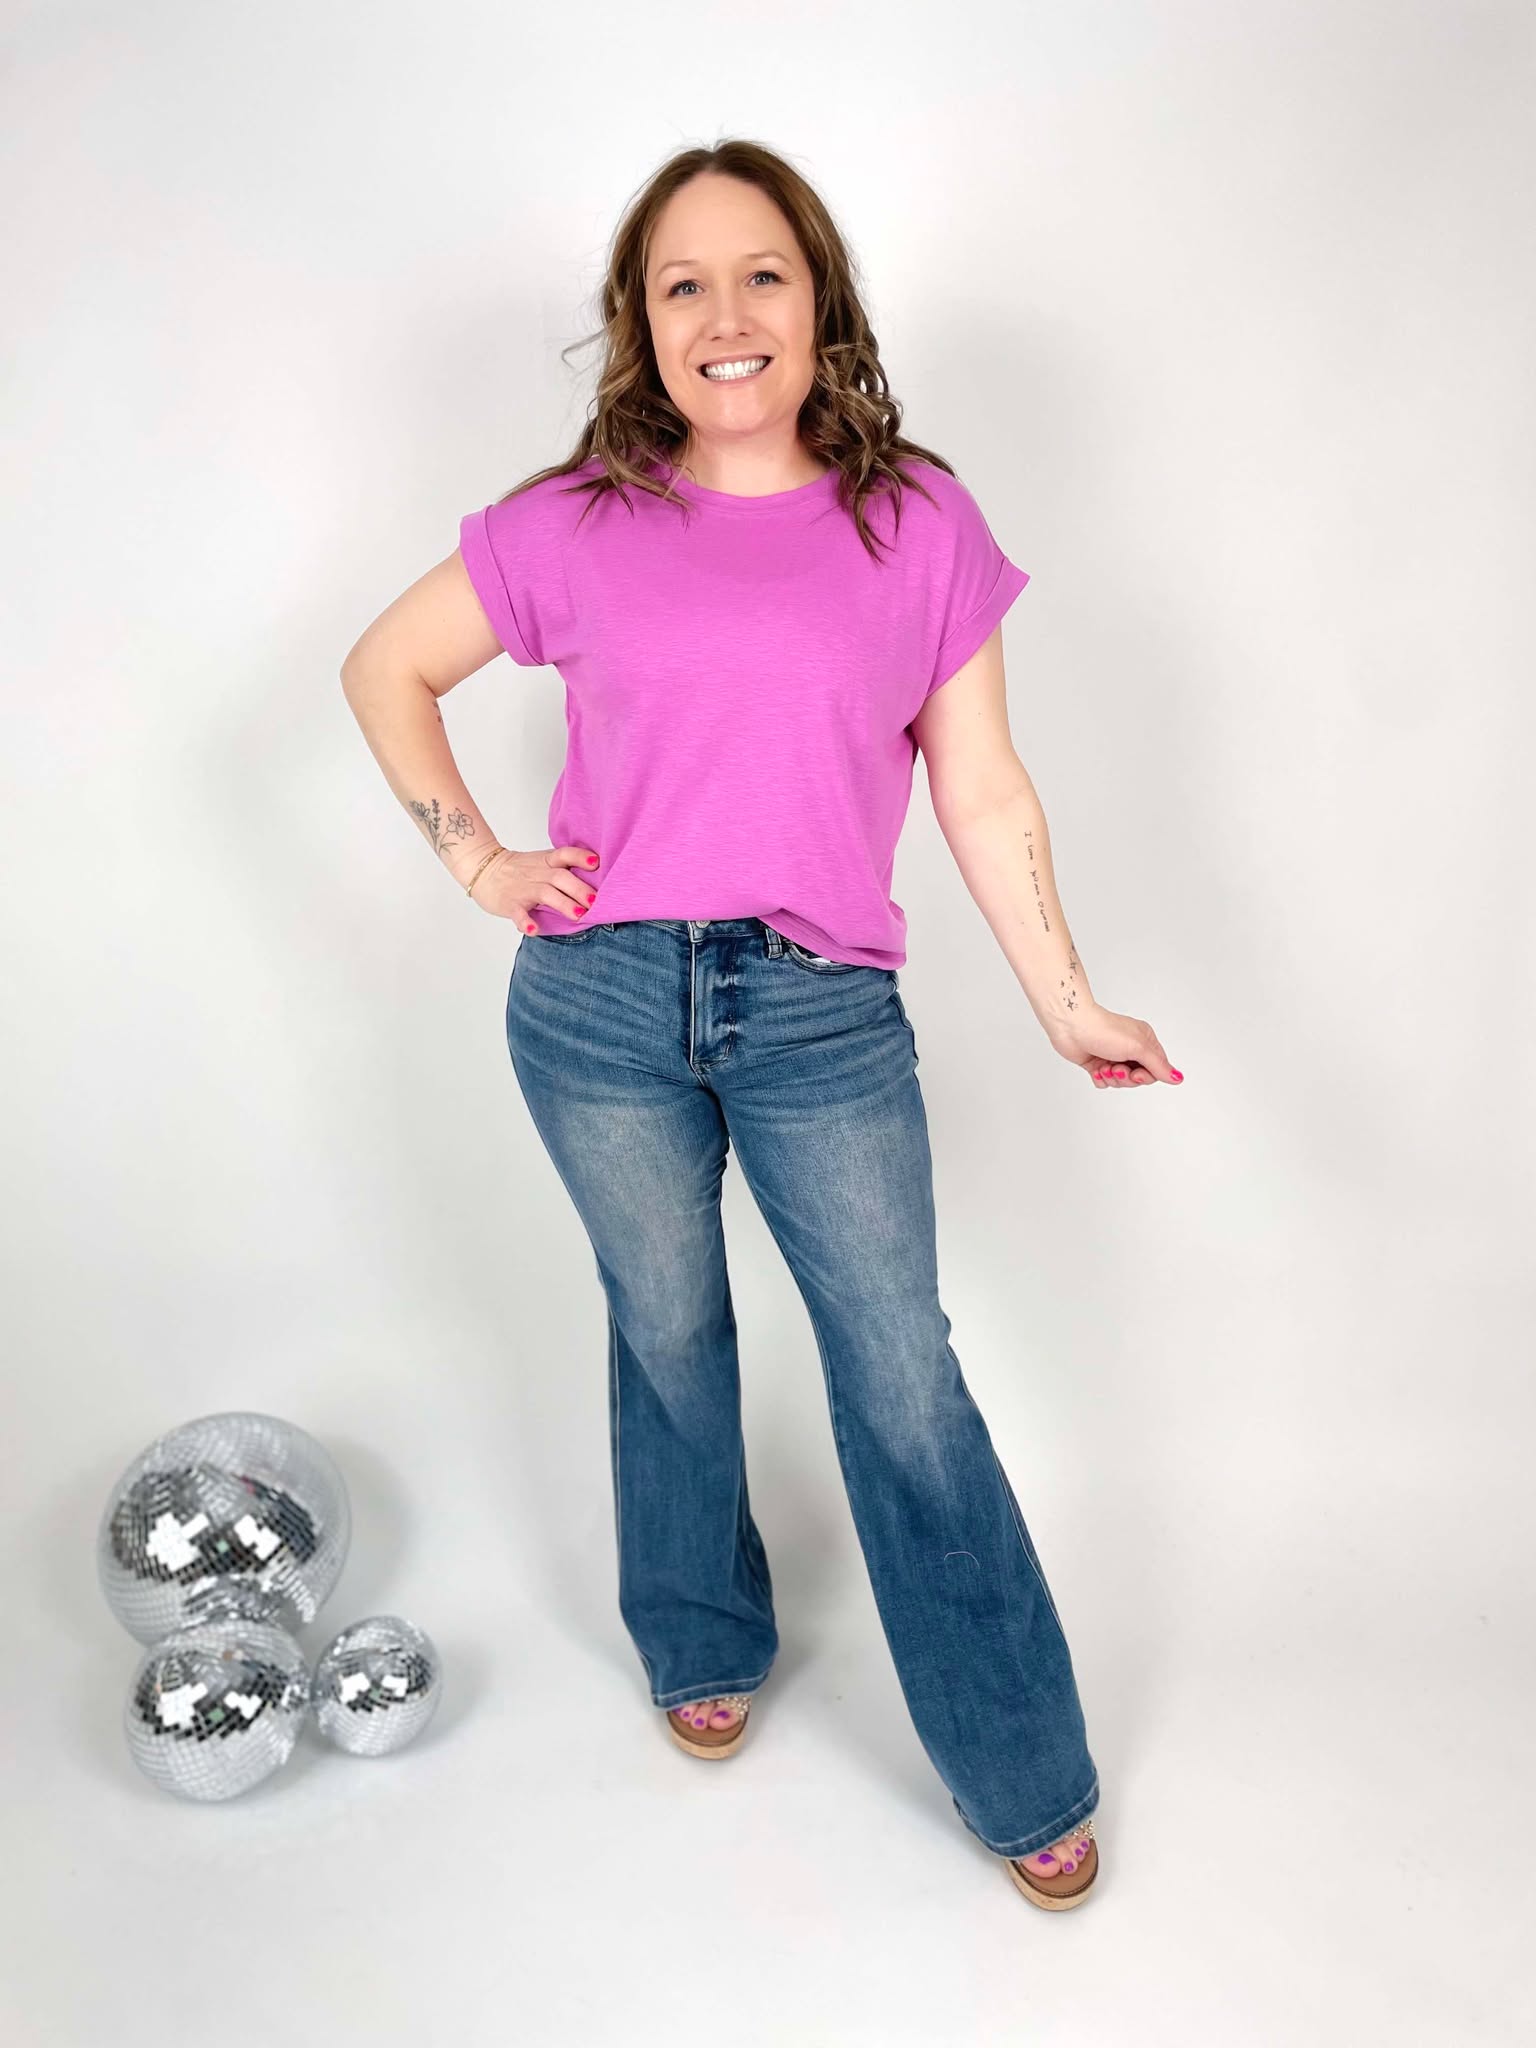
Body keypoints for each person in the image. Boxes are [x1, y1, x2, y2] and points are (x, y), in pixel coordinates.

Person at [341, 137, 1182, 1912]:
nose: (727, 314)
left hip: (820, 1015)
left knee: (899, 1372)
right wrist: (478, 858)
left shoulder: (916, 522)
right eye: (684, 284)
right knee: (665, 1324)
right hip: (598, 1004)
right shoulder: (572, 523)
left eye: (763, 274)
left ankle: (1018, 1762)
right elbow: (384, 667)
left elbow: (981, 786)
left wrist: (1065, 999)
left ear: (820, 301)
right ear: (641, 325)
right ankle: (698, 1627)